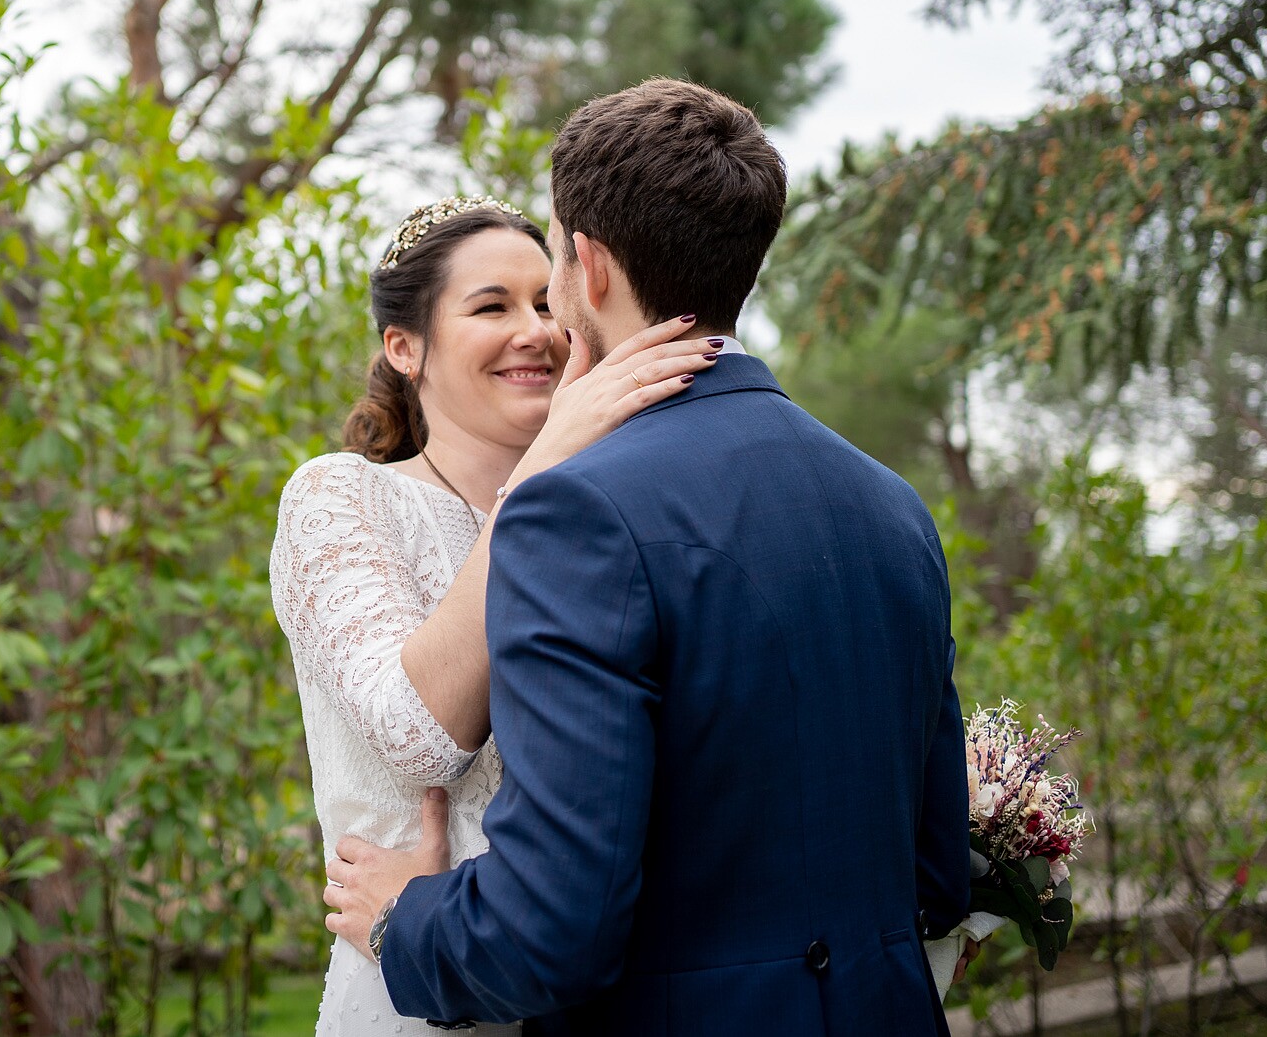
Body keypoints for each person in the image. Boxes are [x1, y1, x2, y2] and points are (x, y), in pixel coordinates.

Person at [321, 79, 972, 1036]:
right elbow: (935, 867)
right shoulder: (891, 504)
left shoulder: (574, 510)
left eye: (545, 263)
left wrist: (404, 920)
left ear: (587, 267)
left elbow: (551, 932)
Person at [270, 195, 726, 1037]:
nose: (539, 331)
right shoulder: (339, 497)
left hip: (612, 987)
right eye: (491, 306)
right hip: (416, 986)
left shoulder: (611, 508)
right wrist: (545, 467)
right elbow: (420, 735)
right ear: (404, 347)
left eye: (547, 303)